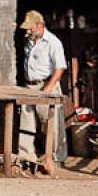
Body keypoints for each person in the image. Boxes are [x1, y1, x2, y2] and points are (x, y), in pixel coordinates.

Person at [18, 10, 68, 168]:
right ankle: (26, 155)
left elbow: (60, 68)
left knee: (51, 123)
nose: (28, 31)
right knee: (26, 121)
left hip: (46, 85)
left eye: (30, 28)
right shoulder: (29, 41)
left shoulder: (53, 42)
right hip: (30, 85)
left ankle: (54, 157)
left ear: (40, 26)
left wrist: (48, 88)